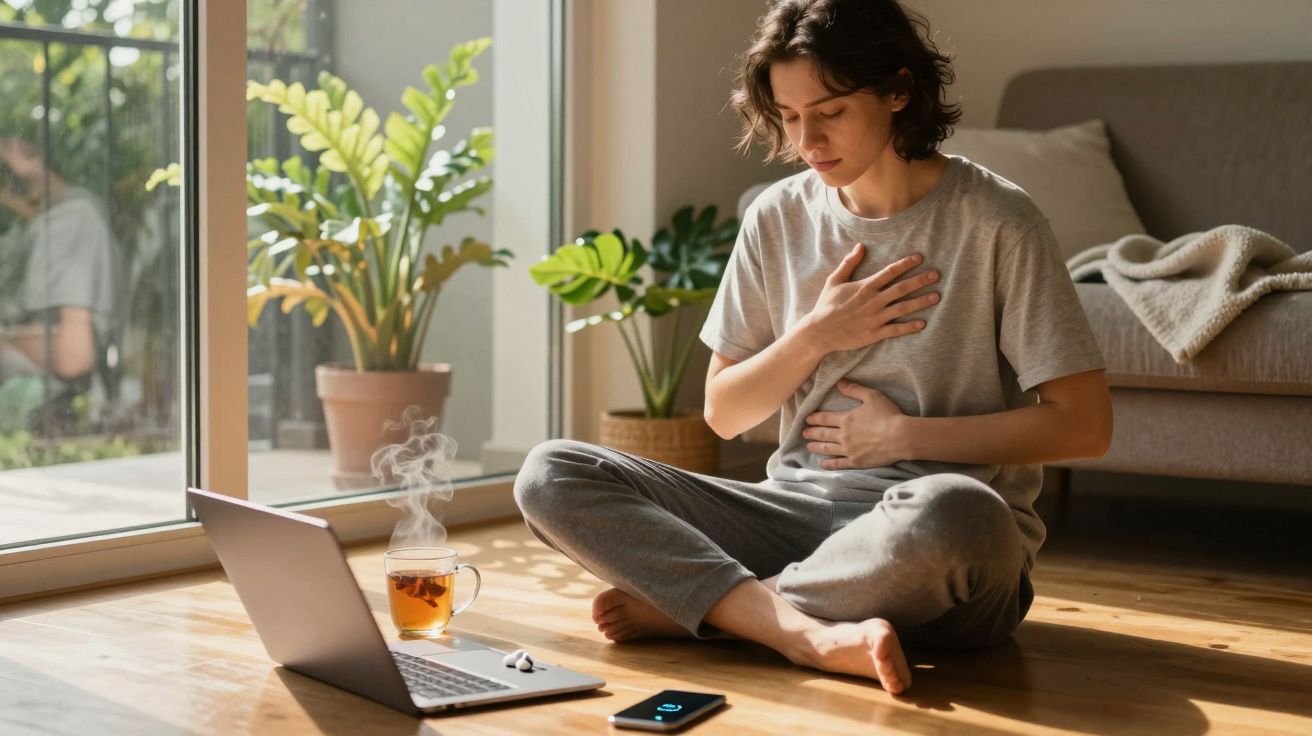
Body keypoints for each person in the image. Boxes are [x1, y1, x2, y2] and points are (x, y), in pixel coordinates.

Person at [513, 0, 1111, 695]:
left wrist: (906, 437)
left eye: (830, 112)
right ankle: (796, 628)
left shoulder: (1000, 220)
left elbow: (1085, 425)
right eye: (789, 116)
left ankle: (718, 608)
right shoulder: (776, 216)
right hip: (793, 516)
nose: (808, 140)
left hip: (936, 546)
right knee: (550, 473)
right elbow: (724, 413)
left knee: (961, 511)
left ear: (898, 91)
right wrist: (818, 334)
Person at [0, 134, 116, 430]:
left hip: (51, 415)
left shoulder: (69, 221)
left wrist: (6, 339)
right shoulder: (31, 228)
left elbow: (74, 355)